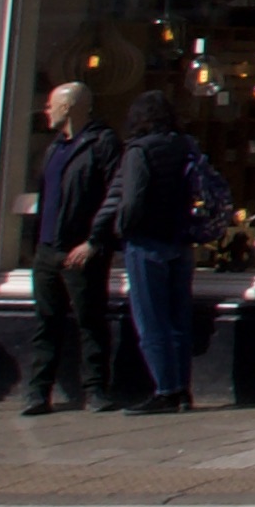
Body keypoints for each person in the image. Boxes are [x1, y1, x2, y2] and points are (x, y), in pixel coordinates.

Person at [104, 85, 213, 414]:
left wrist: (121, 229)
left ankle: (165, 390)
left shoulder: (139, 150)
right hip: (181, 240)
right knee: (178, 319)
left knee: (151, 320)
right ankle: (182, 390)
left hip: (147, 240)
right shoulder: (186, 145)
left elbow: (133, 199)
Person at [21, 80, 123, 416]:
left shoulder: (102, 143)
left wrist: (95, 241)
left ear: (67, 107)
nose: (46, 110)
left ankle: (96, 390)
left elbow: (115, 196)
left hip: (80, 250)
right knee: (45, 323)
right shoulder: (55, 148)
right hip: (47, 249)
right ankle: (38, 392)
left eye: (51, 105)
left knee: (89, 322)